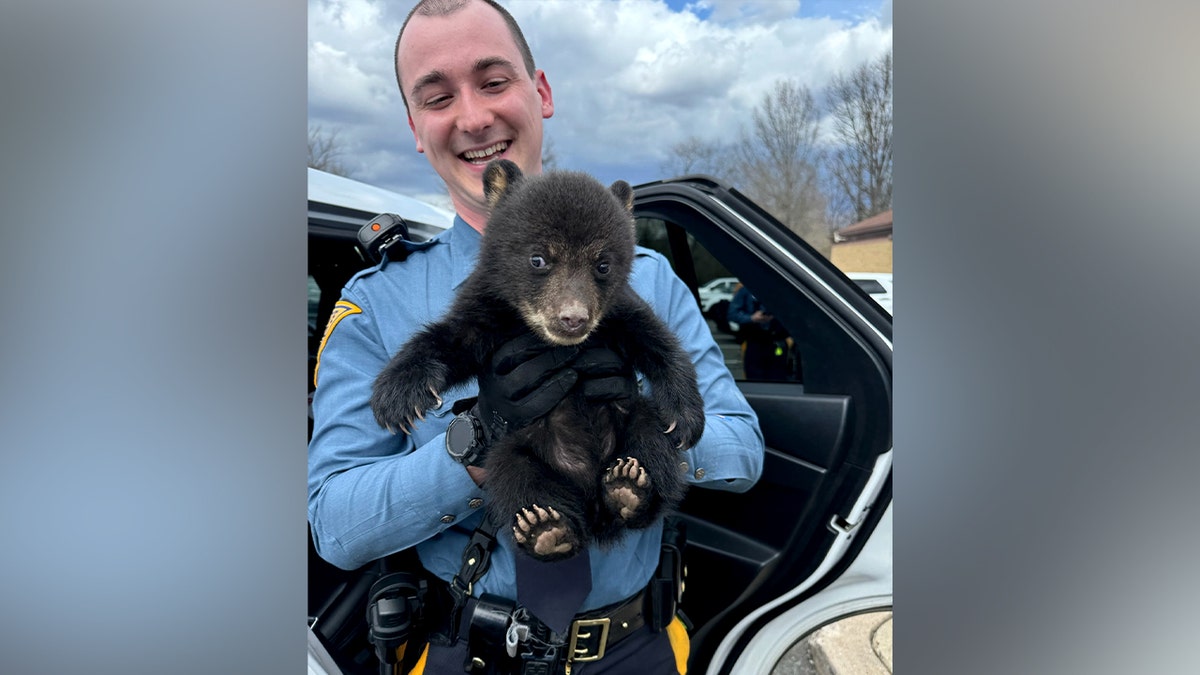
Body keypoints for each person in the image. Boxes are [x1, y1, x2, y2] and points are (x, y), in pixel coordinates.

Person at [308, 1, 764, 672]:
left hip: (634, 646)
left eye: (493, 81)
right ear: (414, 126)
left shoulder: (652, 281)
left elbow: (742, 450)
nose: (473, 117)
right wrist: (471, 452)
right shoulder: (377, 302)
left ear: (540, 91)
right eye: (438, 97)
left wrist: (651, 419)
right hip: (470, 650)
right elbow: (335, 526)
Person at [727, 284, 792, 381]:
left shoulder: (782, 289)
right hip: (755, 343)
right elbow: (732, 314)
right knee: (755, 380)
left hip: (777, 342)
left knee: (778, 380)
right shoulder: (746, 290)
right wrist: (751, 318)